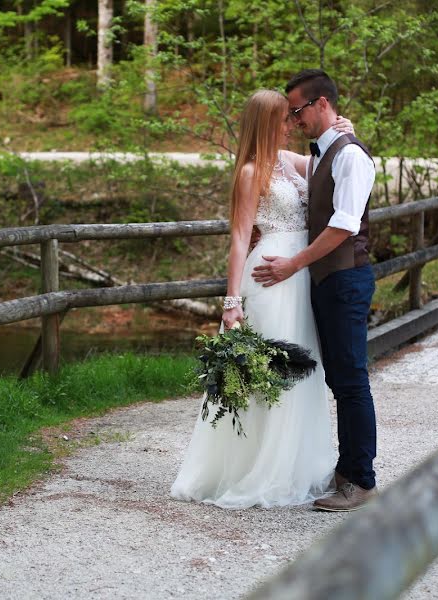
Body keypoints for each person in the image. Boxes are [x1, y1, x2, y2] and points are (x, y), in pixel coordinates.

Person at [169, 89, 356, 509]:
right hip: (268, 278)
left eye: (293, 118)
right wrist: (231, 301)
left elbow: (329, 167)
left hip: (299, 277)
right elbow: (238, 236)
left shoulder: (290, 163)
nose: (292, 124)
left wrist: (343, 131)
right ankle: (255, 468)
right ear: (266, 123)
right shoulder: (251, 171)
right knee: (270, 373)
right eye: (284, 119)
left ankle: (293, 466)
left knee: (302, 370)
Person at [252, 69, 377, 512]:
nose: (294, 118)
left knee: (351, 380)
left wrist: (293, 263)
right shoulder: (324, 152)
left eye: (298, 110)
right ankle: (346, 469)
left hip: (345, 277)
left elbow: (344, 223)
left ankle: (361, 480)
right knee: (338, 377)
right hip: (326, 279)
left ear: (322, 104)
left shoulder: (349, 156)